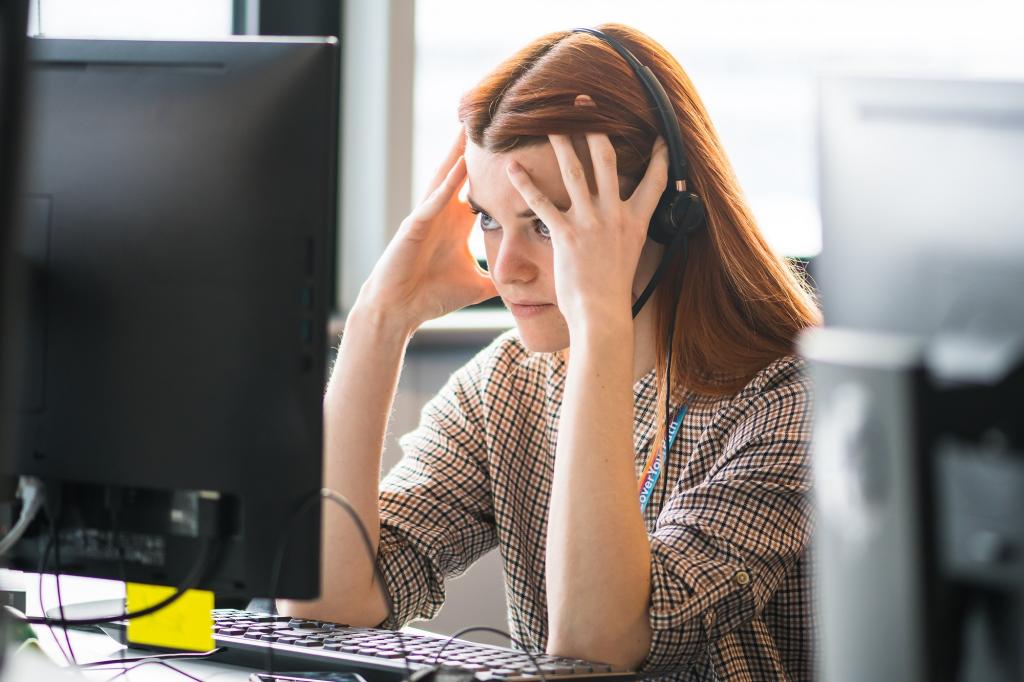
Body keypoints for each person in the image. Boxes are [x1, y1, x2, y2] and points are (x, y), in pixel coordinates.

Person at [283, 23, 821, 680]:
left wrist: (599, 326)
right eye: (487, 217)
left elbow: (599, 645)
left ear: (664, 214)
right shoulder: (507, 384)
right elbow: (324, 606)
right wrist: (378, 319)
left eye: (545, 223)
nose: (504, 267)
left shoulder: (792, 404)